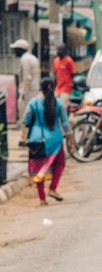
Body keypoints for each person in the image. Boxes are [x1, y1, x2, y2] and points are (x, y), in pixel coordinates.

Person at [22, 77, 72, 206]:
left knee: (39, 168)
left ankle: (42, 199)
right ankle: (53, 188)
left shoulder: (33, 103)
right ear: (54, 88)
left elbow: (26, 120)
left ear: (41, 88)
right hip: (55, 138)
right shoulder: (59, 103)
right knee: (60, 163)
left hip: (36, 139)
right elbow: (65, 123)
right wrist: (70, 135)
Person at [11, 39, 41, 128]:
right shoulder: (32, 58)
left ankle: (26, 137)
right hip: (34, 91)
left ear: (20, 49)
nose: (14, 52)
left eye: (16, 49)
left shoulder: (25, 59)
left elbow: (27, 77)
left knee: (25, 116)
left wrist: (23, 92)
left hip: (28, 92)